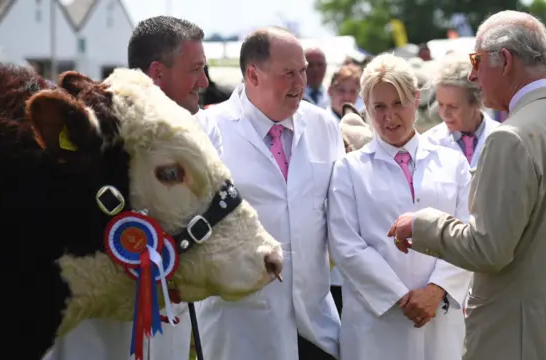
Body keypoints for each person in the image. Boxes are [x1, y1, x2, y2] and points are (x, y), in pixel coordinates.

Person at [388, 11, 546, 360]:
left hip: (517, 340)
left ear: (506, 61)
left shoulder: (510, 138)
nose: (472, 75)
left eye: (476, 61)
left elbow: (488, 249)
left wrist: (423, 224)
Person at [43, 15, 223, 360]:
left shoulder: (201, 131)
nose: (204, 81)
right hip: (101, 321)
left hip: (170, 314)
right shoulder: (93, 129)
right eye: (196, 69)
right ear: (157, 73)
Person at [198, 27, 343, 360]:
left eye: (303, 71)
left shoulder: (323, 125)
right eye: (288, 73)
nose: (299, 83)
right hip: (240, 322)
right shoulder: (207, 130)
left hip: (314, 320)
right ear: (253, 74)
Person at [328, 53, 472, 360]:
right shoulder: (349, 169)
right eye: (378, 107)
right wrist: (402, 297)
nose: (389, 116)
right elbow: (346, 245)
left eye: (398, 104)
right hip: (377, 322)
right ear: (365, 106)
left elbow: (468, 233)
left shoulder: (452, 161)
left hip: (441, 315)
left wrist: (436, 290)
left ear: (416, 98)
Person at [424, 55, 500, 168]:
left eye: (453, 106)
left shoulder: (501, 137)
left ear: (476, 102)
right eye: (440, 104)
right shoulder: (428, 143)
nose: (444, 114)